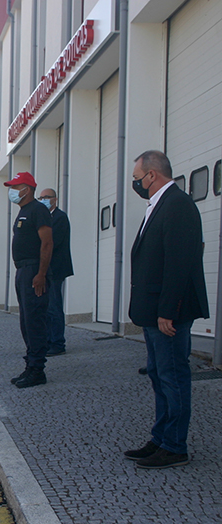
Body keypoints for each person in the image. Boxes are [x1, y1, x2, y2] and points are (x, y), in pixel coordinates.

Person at [124, 150, 208, 469]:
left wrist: (168, 310)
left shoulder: (177, 205)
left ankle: (175, 446)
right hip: (153, 311)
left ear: (152, 175)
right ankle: (160, 438)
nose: (136, 183)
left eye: (137, 178)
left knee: (173, 376)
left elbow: (179, 263)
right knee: (160, 374)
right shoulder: (159, 205)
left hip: (168, 313)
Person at [5, 172, 52, 389]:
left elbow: (47, 244)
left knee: (34, 320)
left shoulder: (38, 210)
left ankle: (37, 370)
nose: (12, 190)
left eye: (16, 186)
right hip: (23, 270)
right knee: (26, 321)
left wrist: (41, 274)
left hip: (33, 270)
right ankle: (30, 365)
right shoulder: (24, 211)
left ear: (28, 189)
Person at [37, 188, 73, 356]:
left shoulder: (59, 217)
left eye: (47, 197)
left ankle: (58, 343)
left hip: (56, 269)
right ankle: (49, 340)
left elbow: (51, 242)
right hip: (46, 270)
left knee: (54, 307)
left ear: (55, 199)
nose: (44, 199)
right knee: (46, 308)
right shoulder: (45, 218)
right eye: (41, 197)